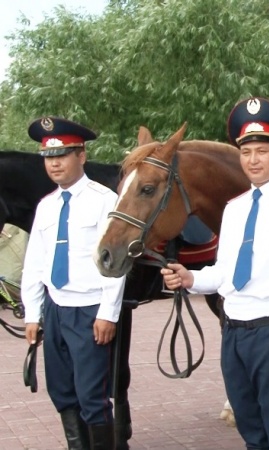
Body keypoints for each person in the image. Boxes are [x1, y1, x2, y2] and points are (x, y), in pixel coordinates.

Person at [161, 97, 269, 450]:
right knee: (250, 430)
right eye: (246, 151)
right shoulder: (234, 210)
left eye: (261, 151)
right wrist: (191, 280)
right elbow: (225, 271)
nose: (252, 159)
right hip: (233, 333)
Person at [21, 117, 125, 450]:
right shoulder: (46, 206)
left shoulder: (104, 200)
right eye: (49, 158)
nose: (54, 164)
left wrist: (108, 313)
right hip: (56, 310)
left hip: (89, 310)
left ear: (81, 155)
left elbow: (115, 263)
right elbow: (35, 263)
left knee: (92, 396)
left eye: (62, 155)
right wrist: (33, 315)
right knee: (62, 393)